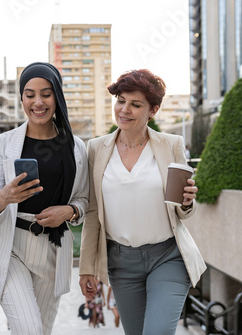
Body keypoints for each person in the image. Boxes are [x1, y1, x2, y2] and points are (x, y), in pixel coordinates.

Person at [78, 69, 206, 335]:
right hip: (121, 262)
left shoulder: (171, 144)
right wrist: (86, 268)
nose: (124, 110)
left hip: (168, 257)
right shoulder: (96, 149)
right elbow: (92, 213)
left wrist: (186, 202)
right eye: (121, 100)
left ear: (153, 110)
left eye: (135, 104)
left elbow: (181, 211)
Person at [0, 62, 89, 335]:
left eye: (46, 94)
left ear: (57, 96)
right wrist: (4, 197)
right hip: (10, 245)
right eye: (30, 94)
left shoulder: (76, 147)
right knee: (29, 328)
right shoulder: (3, 143)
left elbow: (84, 200)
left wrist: (69, 212)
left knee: (41, 331)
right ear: (21, 97)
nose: (38, 102)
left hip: (53, 249)